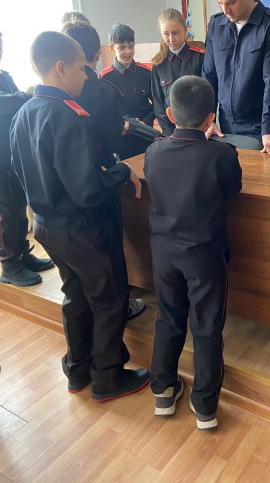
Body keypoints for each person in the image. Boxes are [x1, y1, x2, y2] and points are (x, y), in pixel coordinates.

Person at [10, 31, 149, 400]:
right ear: (61, 68)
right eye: (81, 70)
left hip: (45, 225)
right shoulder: (70, 116)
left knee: (75, 293)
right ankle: (108, 376)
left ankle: (78, 367)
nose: (86, 77)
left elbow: (19, 170)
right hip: (82, 229)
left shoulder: (23, 113)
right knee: (109, 298)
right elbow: (88, 191)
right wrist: (120, 172)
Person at [144, 76, 242, 429]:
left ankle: (163, 390)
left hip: (163, 251)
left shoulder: (154, 151)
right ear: (211, 117)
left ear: (170, 114)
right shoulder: (222, 154)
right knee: (206, 326)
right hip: (203, 254)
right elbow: (233, 189)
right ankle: (205, 407)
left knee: (168, 317)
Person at [62, 20, 146, 321]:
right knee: (111, 249)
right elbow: (112, 142)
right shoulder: (103, 91)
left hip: (63, 202)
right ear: (99, 53)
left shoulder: (46, 98)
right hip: (101, 182)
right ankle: (120, 304)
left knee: (75, 281)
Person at [202, 0, 270, 157]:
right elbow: (209, 76)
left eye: (231, 2)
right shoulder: (216, 25)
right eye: (220, 3)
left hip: (257, 126)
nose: (226, 10)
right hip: (223, 124)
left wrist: (269, 128)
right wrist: (208, 118)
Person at [0, 30, 54, 286]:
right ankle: (9, 265)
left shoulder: (5, 76)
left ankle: (22, 254)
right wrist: (25, 96)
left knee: (19, 207)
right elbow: (9, 103)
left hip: (10, 152)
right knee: (5, 213)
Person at [99, 23, 154, 159]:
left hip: (146, 135)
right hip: (121, 139)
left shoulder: (146, 73)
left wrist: (144, 123)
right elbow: (105, 111)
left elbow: (157, 104)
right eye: (122, 47)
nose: (128, 51)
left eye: (131, 46)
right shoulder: (105, 77)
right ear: (112, 48)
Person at [151, 8, 204, 136]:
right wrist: (169, 131)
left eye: (175, 33)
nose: (171, 39)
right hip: (170, 132)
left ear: (185, 29)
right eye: (166, 34)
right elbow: (158, 102)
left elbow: (206, 96)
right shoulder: (158, 64)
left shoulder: (200, 57)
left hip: (198, 128)